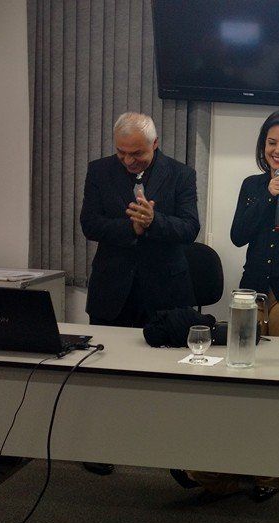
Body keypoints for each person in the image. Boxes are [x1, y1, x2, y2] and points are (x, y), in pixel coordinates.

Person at [179, 109, 279, 503]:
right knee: (241, 377)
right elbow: (238, 235)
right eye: (271, 143)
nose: (277, 151)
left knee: (276, 381)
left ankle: (272, 468)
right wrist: (268, 197)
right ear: (263, 145)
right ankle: (229, 465)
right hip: (251, 292)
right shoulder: (253, 186)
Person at [79, 111, 200, 474]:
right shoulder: (99, 171)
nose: (129, 161)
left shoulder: (180, 174)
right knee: (105, 375)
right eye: (122, 153)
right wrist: (130, 228)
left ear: (155, 144)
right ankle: (100, 446)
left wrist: (154, 221)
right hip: (112, 289)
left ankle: (171, 451)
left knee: (166, 377)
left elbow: (190, 228)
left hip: (165, 291)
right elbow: (89, 224)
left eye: (137, 154)